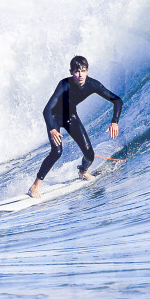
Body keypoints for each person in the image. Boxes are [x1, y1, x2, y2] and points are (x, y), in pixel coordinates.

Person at [29, 55, 122, 198]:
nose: (80, 75)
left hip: (70, 117)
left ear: (87, 71)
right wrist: (52, 129)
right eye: (77, 71)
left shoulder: (93, 84)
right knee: (57, 152)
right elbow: (47, 110)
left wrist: (114, 121)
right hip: (54, 118)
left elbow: (117, 100)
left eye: (83, 71)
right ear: (71, 72)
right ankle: (34, 187)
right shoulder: (64, 84)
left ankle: (82, 172)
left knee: (89, 155)